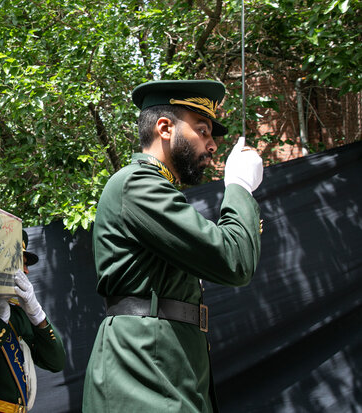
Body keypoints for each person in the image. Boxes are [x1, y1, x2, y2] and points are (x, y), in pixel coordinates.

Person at [82, 80, 263, 413]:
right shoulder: (137, 184)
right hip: (142, 375)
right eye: (203, 131)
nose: (212, 146)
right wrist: (238, 187)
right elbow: (234, 260)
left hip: (163, 368)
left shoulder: (155, 188)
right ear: (164, 128)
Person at [0, 230, 66, 413]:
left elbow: (56, 362)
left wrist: (37, 314)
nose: (26, 270)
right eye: (20, 262)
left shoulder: (19, 312)